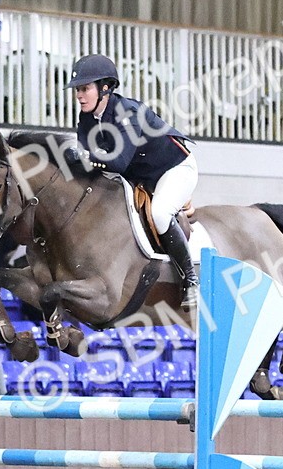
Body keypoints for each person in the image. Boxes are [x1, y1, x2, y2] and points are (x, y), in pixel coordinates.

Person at [62, 53, 200, 306]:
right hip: (140, 176)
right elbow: (87, 166)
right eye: (77, 90)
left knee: (159, 214)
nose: (79, 95)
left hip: (174, 169)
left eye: (85, 89)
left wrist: (83, 155)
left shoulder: (127, 113)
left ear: (105, 88)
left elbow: (118, 162)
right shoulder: (86, 119)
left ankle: (190, 280)